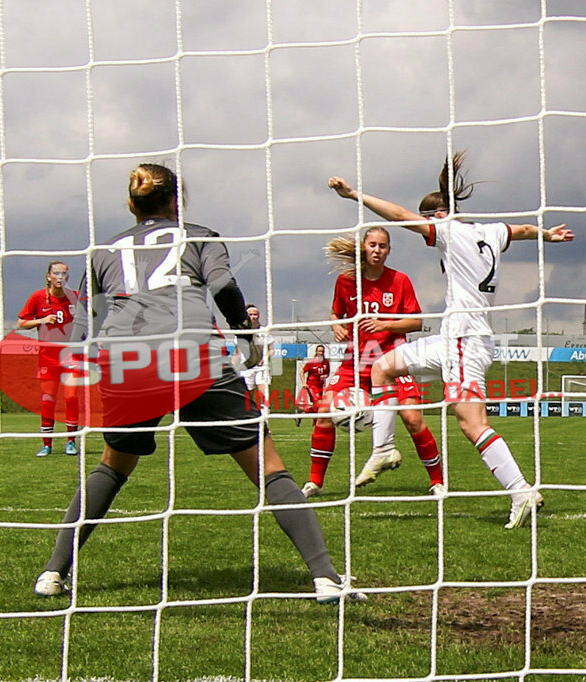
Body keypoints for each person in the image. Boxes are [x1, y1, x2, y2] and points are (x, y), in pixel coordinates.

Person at [33, 163, 363, 604]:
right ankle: (325, 577)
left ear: (132, 204)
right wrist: (246, 337)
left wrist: (83, 362)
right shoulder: (199, 234)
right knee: (268, 468)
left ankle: (53, 573)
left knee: (112, 465)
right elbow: (224, 284)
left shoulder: (103, 250)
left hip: (125, 359)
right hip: (190, 352)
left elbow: (82, 319)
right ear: (177, 201)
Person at [328, 150, 574, 528]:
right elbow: (521, 231)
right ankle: (383, 448)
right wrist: (547, 235)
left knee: (471, 424)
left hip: (463, 340)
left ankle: (521, 490)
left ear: (437, 216)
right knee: (381, 368)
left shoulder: (448, 230)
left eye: (428, 218)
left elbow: (398, 215)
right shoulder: (490, 231)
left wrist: (354, 194)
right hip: (454, 338)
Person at [301, 227, 445, 498]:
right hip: (355, 360)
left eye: (383, 246)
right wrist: (337, 326)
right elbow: (336, 311)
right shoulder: (347, 281)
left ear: (389, 250)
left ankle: (437, 482)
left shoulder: (400, 280)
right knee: (323, 413)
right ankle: (314, 482)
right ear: (363, 247)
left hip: (392, 361)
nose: (377, 250)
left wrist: (384, 323)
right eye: (372, 245)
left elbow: (416, 321)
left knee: (413, 419)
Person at [16, 261, 81, 457]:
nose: (60, 276)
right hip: (47, 356)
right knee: (48, 400)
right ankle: (47, 444)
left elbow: (90, 320)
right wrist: (41, 320)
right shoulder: (38, 297)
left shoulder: (75, 298)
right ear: (49, 276)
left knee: (70, 397)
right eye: (56, 273)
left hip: (71, 354)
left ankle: (71, 441)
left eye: (64, 273)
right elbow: (20, 323)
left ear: (67, 277)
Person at [234, 303, 274, 403]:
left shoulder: (264, 331)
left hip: (261, 367)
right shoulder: (241, 332)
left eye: (255, 314)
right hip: (246, 367)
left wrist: (264, 359)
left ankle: (264, 414)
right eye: (250, 314)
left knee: (263, 391)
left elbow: (271, 349)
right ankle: (250, 413)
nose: (253, 317)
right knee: (248, 393)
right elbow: (236, 352)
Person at [296, 344, 330, 426]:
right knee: (317, 403)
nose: (321, 353)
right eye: (319, 351)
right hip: (311, 385)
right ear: (316, 352)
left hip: (320, 386)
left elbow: (327, 373)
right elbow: (302, 372)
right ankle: (316, 422)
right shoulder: (311, 362)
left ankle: (302, 414)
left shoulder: (326, 362)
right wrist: (304, 382)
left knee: (318, 405)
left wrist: (326, 376)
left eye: (322, 351)